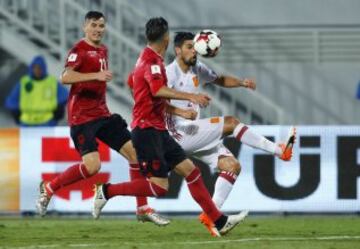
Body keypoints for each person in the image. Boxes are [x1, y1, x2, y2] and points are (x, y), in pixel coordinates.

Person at [93, 17, 248, 237]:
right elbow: (157, 91)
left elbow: (132, 82)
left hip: (158, 129)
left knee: (192, 172)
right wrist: (190, 98)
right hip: (147, 131)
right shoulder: (153, 62)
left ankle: (219, 221)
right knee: (159, 187)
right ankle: (107, 191)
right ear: (166, 38)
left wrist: (174, 110)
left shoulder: (144, 57)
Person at [36, 11, 169, 226]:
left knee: (135, 154)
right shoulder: (79, 50)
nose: (98, 29)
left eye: (101, 26)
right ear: (84, 27)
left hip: (103, 115)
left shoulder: (103, 50)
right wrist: (94, 76)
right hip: (82, 118)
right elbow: (65, 76)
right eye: (94, 25)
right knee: (92, 167)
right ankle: (49, 188)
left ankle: (142, 208)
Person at [165, 32, 296, 236]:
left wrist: (242, 83)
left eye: (194, 46)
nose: (194, 51)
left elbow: (220, 80)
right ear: (178, 50)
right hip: (178, 133)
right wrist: (181, 111)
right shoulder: (169, 73)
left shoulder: (197, 69)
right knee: (231, 123)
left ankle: (212, 215)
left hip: (194, 132)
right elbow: (156, 102)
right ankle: (280, 151)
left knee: (232, 166)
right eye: (189, 47)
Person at [4, 55, 68, 126]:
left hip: (47, 122)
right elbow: (11, 100)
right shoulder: (24, 82)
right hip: (26, 122)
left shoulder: (51, 82)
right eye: (35, 68)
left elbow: (65, 96)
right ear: (32, 68)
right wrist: (16, 112)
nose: (37, 70)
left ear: (44, 68)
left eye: (40, 68)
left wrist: (59, 108)